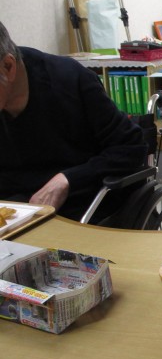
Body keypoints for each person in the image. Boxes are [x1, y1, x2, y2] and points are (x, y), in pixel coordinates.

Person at [0, 21, 147, 222]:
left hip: (82, 203)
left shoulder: (69, 79)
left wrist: (68, 179)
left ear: (8, 67)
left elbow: (131, 147)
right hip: (16, 209)